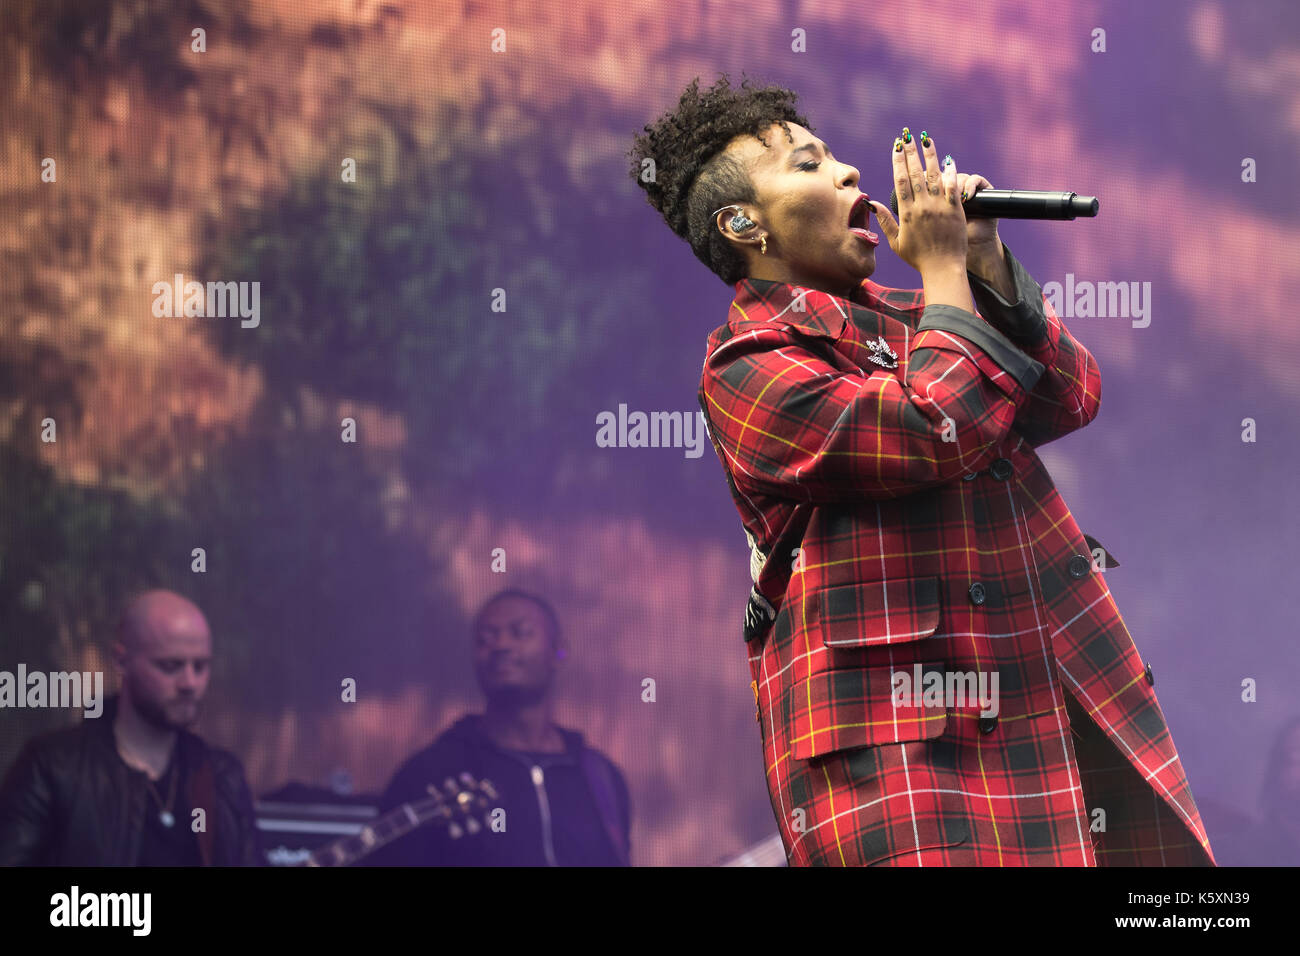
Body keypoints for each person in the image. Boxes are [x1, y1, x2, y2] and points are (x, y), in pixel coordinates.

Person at [628, 74, 1214, 866]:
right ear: (743, 224)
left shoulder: (921, 318)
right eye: (808, 166)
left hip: (1044, 706)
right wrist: (943, 279)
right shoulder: (748, 365)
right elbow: (933, 426)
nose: (848, 175)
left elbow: (1070, 396)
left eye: (836, 157)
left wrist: (982, 259)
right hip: (903, 758)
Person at [367, 589, 631, 866]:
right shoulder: (429, 773)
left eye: (521, 632)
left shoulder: (601, 779)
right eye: (486, 638)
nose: (501, 645)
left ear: (558, 652)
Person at [0, 590, 260, 865]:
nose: (190, 683)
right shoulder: (53, 768)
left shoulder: (222, 777)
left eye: (201, 666)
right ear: (122, 661)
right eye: (171, 666)